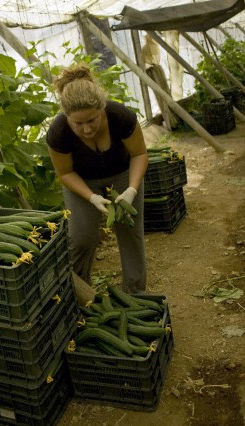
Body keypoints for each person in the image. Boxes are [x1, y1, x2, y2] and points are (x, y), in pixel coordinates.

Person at [46, 63, 149, 294]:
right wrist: (92, 197)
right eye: (78, 124)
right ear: (66, 117)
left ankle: (136, 293)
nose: (86, 129)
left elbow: (139, 154)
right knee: (81, 238)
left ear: (102, 109)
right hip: (82, 181)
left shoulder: (120, 116)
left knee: (130, 232)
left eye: (92, 120)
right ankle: (81, 293)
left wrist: (131, 189)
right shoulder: (58, 132)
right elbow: (65, 173)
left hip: (123, 173)